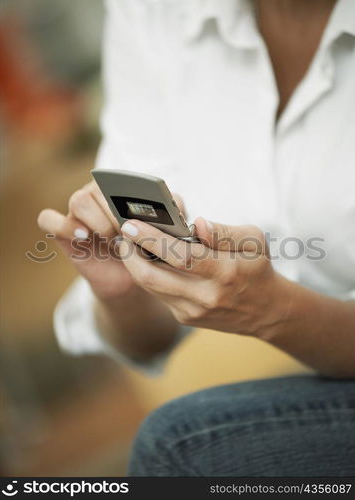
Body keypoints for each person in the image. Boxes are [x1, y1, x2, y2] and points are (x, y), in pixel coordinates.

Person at [38, 0, 355, 476]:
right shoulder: (153, 12)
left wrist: (276, 312)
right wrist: (125, 294)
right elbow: (146, 341)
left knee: (181, 446)